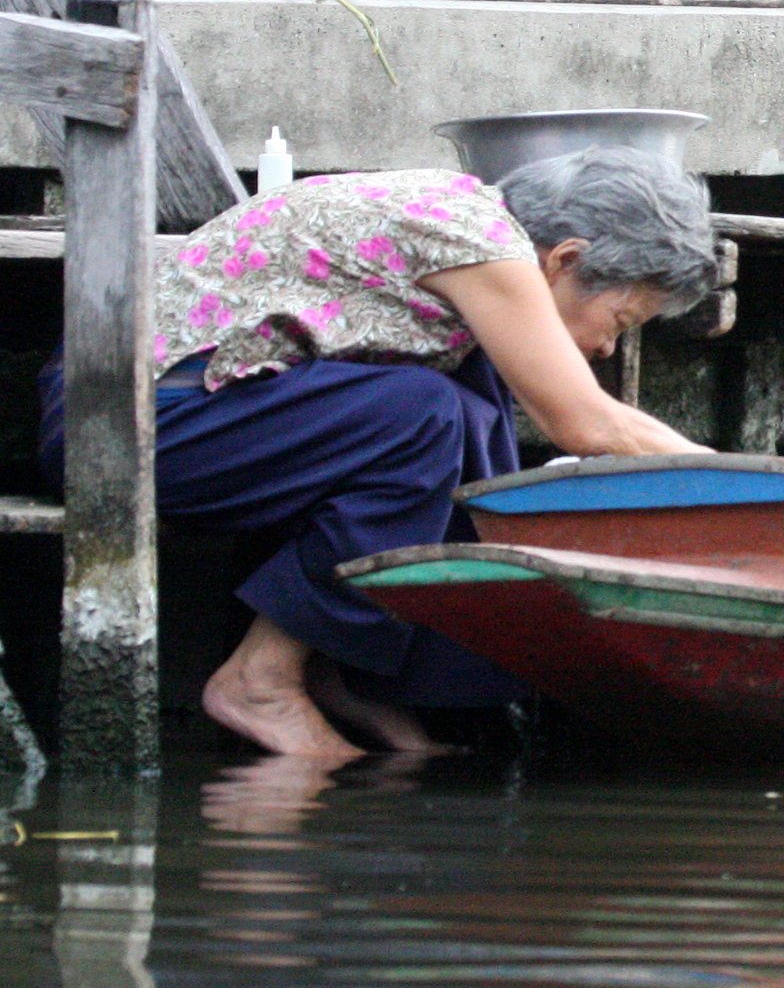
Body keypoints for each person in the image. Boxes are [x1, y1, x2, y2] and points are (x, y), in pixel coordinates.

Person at [37, 145, 717, 758]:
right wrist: (734, 481)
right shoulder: (480, 240)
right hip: (129, 421)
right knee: (422, 416)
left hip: (203, 414)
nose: (607, 348)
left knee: (470, 408)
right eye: (620, 322)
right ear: (564, 258)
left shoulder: (469, 222)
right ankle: (260, 677)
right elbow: (582, 422)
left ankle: (340, 671)